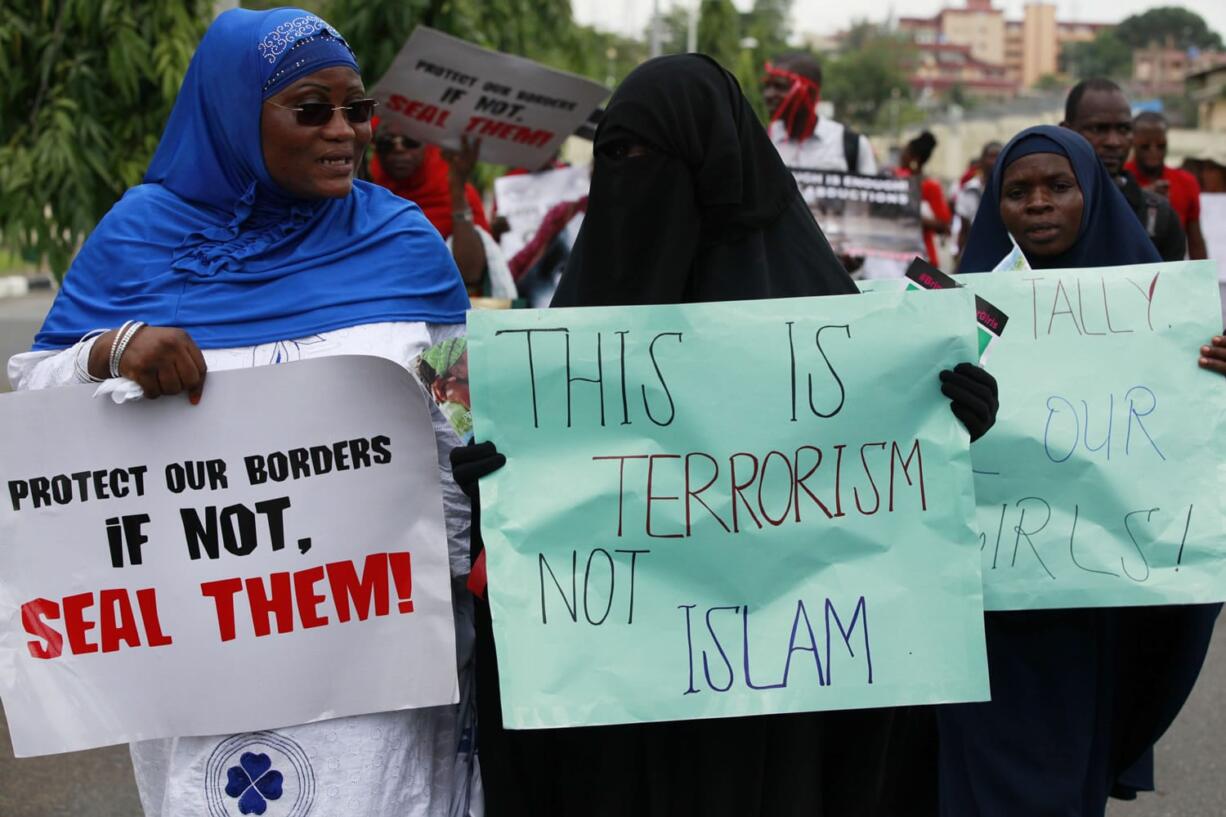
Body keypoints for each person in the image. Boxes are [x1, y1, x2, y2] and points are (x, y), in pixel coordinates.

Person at [452, 54, 999, 817]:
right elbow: (535, 519)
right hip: (621, 691)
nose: (632, 176)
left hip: (787, 693)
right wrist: (495, 477)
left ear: (720, 161)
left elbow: (886, 480)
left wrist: (949, 420)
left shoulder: (823, 318)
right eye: (617, 155)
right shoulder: (574, 333)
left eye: (652, 156)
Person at [7, 9, 480, 816]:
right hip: (207, 652)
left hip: (386, 639)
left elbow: (460, 416)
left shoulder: (403, 242)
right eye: (310, 109)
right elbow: (36, 407)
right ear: (232, 112)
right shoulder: (139, 238)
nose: (344, 131)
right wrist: (110, 351)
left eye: (356, 110)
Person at [951, 124, 1224, 816]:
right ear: (996, 207)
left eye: (1057, 187)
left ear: (1090, 194)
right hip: (976, 616)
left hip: (1091, 612)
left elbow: (1189, 456)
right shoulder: (949, 311)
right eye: (1018, 192)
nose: (1038, 204)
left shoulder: (1164, 319)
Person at [370, 120, 513, 298]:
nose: (399, 149)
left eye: (410, 142)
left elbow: (471, 275)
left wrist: (457, 190)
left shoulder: (458, 191)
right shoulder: (367, 196)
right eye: (386, 144)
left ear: (427, 147)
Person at [1062, 78, 1186, 262]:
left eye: (1124, 129)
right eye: (1098, 129)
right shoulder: (1043, 212)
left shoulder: (1158, 216)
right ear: (1066, 131)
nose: (1114, 142)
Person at [761, 53, 877, 175]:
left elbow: (871, 192)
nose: (768, 95)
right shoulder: (760, 141)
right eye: (767, 86)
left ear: (810, 92)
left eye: (780, 86)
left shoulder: (851, 145)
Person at [1126, 111, 1208, 260]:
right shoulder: (1121, 180)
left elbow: (1195, 240)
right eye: (1145, 146)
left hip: (1171, 269)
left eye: (1161, 146)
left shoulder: (1186, 182)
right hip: (1128, 269)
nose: (1154, 151)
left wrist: (1206, 279)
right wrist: (1141, 198)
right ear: (1132, 143)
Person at [954, 141, 1002, 262]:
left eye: (997, 156)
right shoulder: (968, 189)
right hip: (976, 253)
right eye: (990, 156)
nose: (993, 161)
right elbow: (964, 229)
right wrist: (960, 257)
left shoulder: (1009, 189)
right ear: (981, 161)